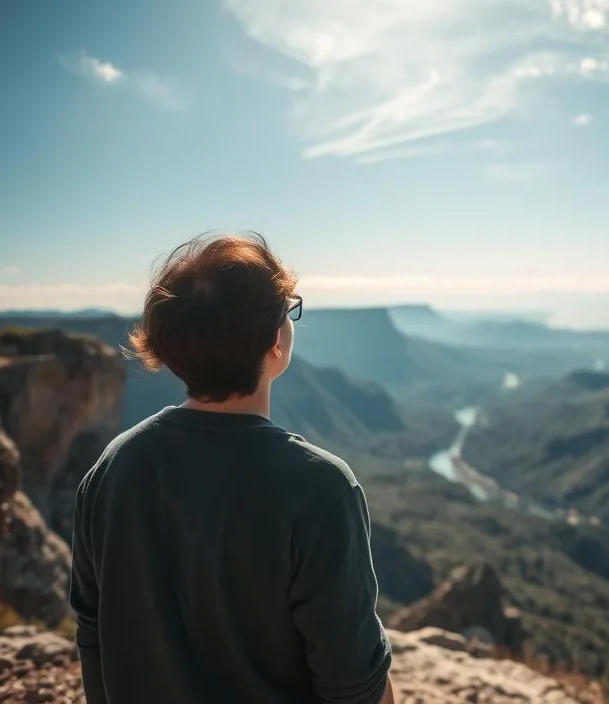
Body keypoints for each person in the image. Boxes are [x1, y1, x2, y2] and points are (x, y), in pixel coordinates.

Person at [69, 233, 395, 704]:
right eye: (288, 309)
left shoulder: (112, 469)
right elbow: (354, 681)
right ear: (275, 342)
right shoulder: (320, 487)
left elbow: (93, 630)